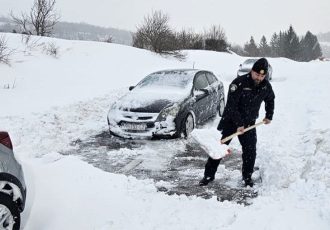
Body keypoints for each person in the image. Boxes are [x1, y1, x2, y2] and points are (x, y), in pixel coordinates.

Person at [199, 58, 275, 187]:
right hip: (231, 121)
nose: (259, 78)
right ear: (252, 71)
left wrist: (269, 115)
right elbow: (231, 106)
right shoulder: (239, 83)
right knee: (219, 148)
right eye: (257, 74)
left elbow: (270, 99)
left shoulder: (265, 86)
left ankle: (247, 177)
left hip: (250, 123)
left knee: (250, 152)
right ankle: (208, 176)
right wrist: (239, 123)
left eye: (262, 76)